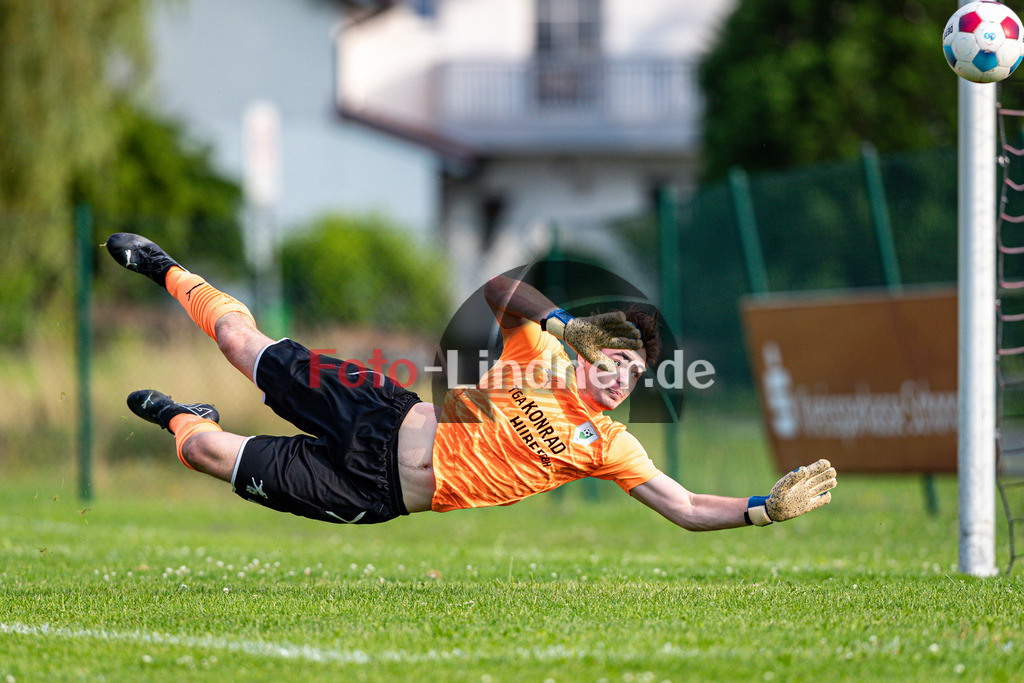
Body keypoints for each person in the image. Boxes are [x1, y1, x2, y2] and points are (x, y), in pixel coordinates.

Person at [106, 232, 836, 530]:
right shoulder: (541, 354)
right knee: (240, 339)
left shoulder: (608, 443)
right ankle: (167, 267)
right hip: (379, 410)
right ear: (591, 350)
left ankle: (183, 417)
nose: (621, 379)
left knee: (205, 452)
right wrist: (562, 324)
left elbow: (683, 504)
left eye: (634, 375)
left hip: (373, 490)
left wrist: (760, 508)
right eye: (615, 359)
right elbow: (498, 288)